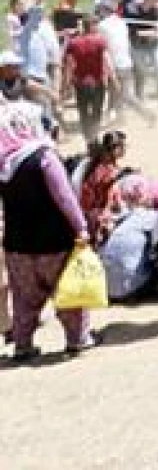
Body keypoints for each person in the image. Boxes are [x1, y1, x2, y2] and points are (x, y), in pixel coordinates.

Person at [0, 101, 94, 361]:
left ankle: (23, 345)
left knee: (24, 298)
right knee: (68, 292)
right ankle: (77, 340)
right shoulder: (44, 157)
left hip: (17, 245)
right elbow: (65, 198)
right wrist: (81, 227)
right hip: (55, 242)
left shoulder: (4, 162)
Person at [61, 14, 115, 146]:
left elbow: (69, 65)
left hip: (81, 83)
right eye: (96, 25)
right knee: (96, 112)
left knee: (83, 112)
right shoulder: (100, 41)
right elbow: (107, 61)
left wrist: (66, 85)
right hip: (97, 82)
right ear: (91, 26)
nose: (97, 28)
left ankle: (88, 140)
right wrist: (114, 79)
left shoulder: (73, 43)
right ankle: (94, 137)